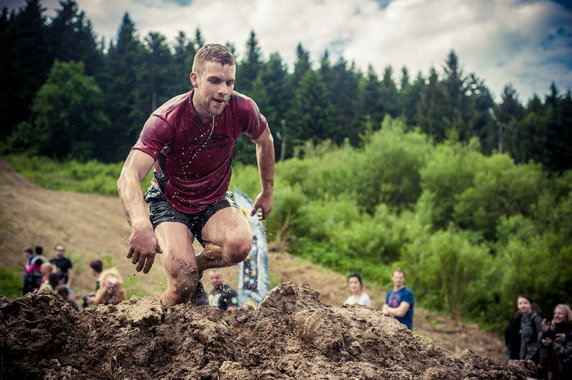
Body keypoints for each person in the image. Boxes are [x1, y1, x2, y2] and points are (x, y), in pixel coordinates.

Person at [116, 43, 275, 307]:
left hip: (213, 198)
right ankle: (160, 320)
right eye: (214, 81)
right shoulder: (167, 119)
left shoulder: (242, 108)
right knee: (183, 285)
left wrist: (267, 190)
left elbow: (264, 140)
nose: (223, 91)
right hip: (170, 201)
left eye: (229, 82)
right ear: (195, 79)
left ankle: (195, 267)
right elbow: (128, 175)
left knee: (240, 245)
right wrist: (141, 223)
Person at [537, 304, 572, 380]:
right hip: (551, 368)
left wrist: (552, 344)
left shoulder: (569, 331)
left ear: (567, 315)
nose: (557, 315)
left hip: (566, 370)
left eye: (560, 313)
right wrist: (544, 332)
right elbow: (540, 342)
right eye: (555, 313)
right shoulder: (553, 327)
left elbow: (566, 352)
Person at [513, 295, 542, 364]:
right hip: (525, 357)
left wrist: (541, 361)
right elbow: (523, 340)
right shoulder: (522, 319)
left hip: (535, 357)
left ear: (530, 304)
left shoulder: (537, 319)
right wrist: (521, 359)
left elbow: (542, 341)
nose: (523, 305)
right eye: (520, 303)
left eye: (525, 303)